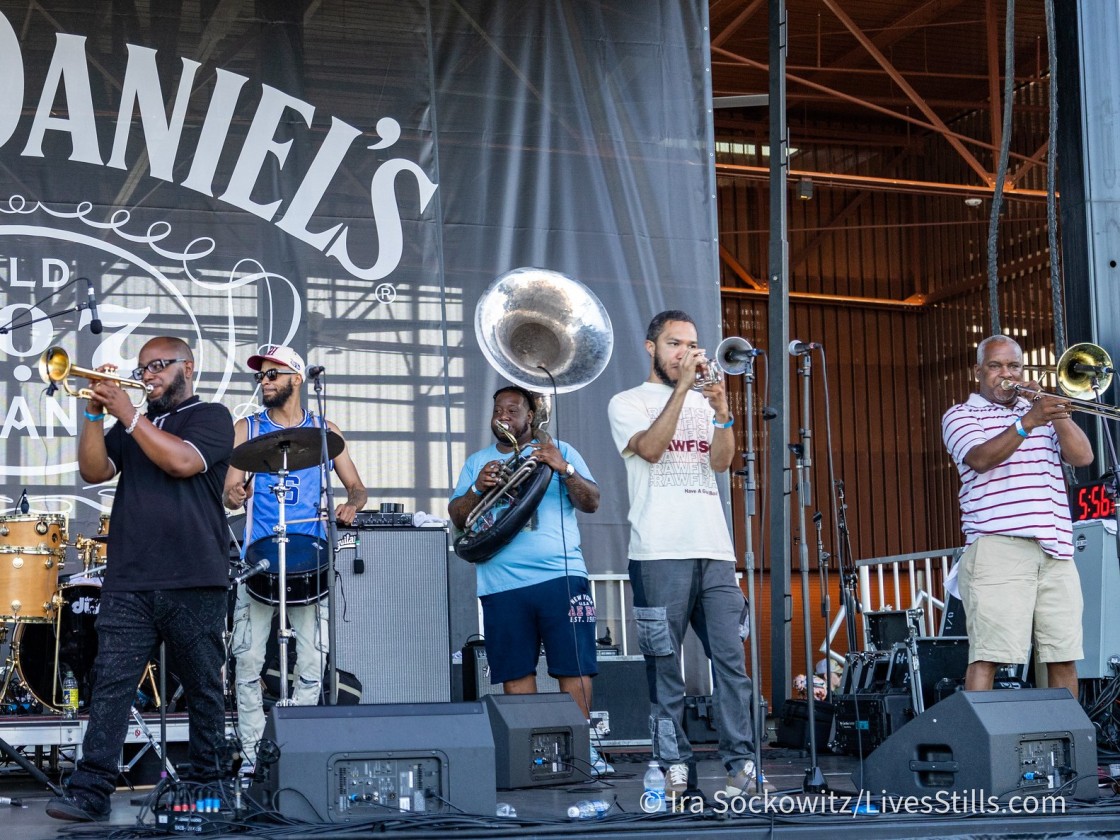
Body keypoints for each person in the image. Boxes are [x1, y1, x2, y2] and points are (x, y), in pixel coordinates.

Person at [47, 337, 234, 822]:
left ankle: (209, 787)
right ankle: (89, 790)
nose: (147, 374)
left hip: (194, 575)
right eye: (142, 367)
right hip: (130, 576)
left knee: (203, 691)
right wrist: (93, 414)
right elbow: (93, 470)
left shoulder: (211, 416)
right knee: (111, 685)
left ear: (187, 368)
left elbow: (182, 462)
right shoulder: (133, 423)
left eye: (158, 366)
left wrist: (129, 415)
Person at [607, 310, 756, 800]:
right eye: (675, 344)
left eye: (692, 344)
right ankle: (674, 765)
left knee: (731, 665)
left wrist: (720, 410)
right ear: (650, 347)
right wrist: (682, 391)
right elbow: (650, 449)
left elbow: (720, 461)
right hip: (658, 552)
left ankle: (741, 765)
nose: (686, 353)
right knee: (664, 666)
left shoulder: (701, 399)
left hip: (714, 551)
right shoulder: (626, 402)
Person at [448, 385, 611, 774]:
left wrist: (563, 468)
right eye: (497, 409)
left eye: (512, 409)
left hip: (561, 576)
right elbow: (458, 516)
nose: (502, 416)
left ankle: (582, 751)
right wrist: (477, 488)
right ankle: (536, 755)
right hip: (501, 584)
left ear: (531, 417)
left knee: (574, 667)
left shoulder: (562, 451)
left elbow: (591, 501)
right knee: (515, 671)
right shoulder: (478, 462)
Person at [223, 345, 366, 774]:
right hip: (260, 561)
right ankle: (250, 757)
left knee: (312, 660)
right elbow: (230, 491)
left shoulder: (325, 430)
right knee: (246, 660)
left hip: (311, 560)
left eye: (273, 374)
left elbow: (357, 487)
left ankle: (300, 749)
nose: (264, 381)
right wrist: (235, 493)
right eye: (261, 376)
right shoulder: (246, 428)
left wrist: (352, 504)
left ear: (296, 379)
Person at [941, 334, 1093, 694]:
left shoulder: (1038, 414)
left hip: (1055, 551)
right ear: (977, 371)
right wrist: (1028, 422)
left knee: (1062, 654)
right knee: (989, 655)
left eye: (1013, 366)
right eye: (995, 366)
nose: (1005, 374)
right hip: (999, 547)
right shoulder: (960, 415)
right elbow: (980, 458)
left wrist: (1052, 410)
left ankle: (1064, 742)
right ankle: (982, 747)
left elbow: (1082, 457)